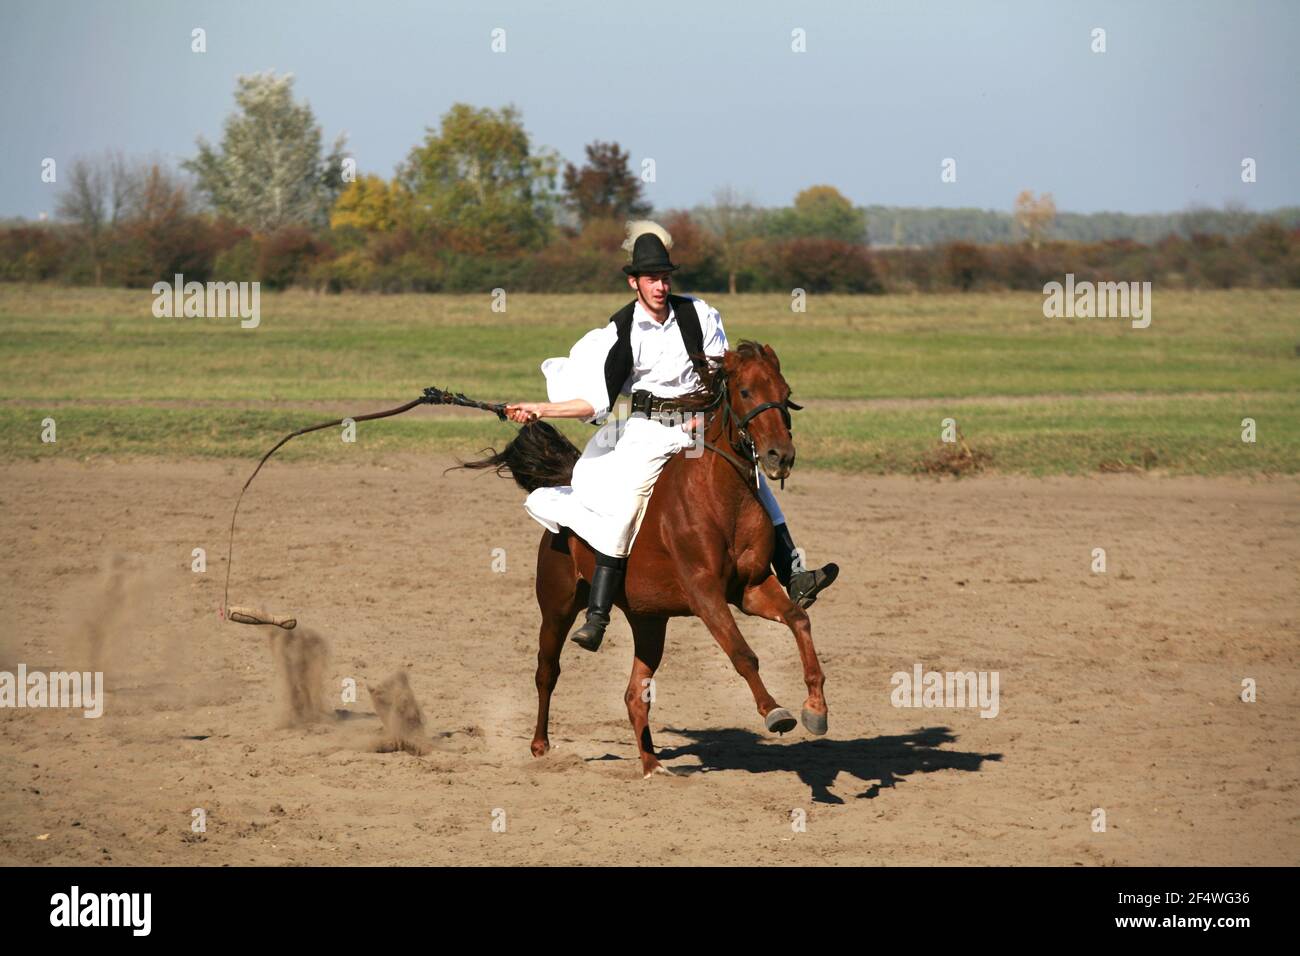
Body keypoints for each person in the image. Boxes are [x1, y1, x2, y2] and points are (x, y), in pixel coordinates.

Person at [505, 221, 838, 652]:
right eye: (650, 279)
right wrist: (541, 409)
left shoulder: (697, 314)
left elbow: (725, 371)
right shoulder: (622, 331)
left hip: (697, 428)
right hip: (643, 432)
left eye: (664, 277)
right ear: (634, 282)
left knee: (752, 481)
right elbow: (597, 401)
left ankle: (793, 571)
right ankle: (599, 611)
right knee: (625, 502)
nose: (660, 286)